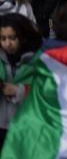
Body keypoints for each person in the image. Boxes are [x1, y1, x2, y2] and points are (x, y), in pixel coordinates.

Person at [0, 13, 42, 148]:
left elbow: (46, 92)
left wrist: (20, 91)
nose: (8, 43)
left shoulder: (36, 60)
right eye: (3, 38)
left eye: (13, 38)